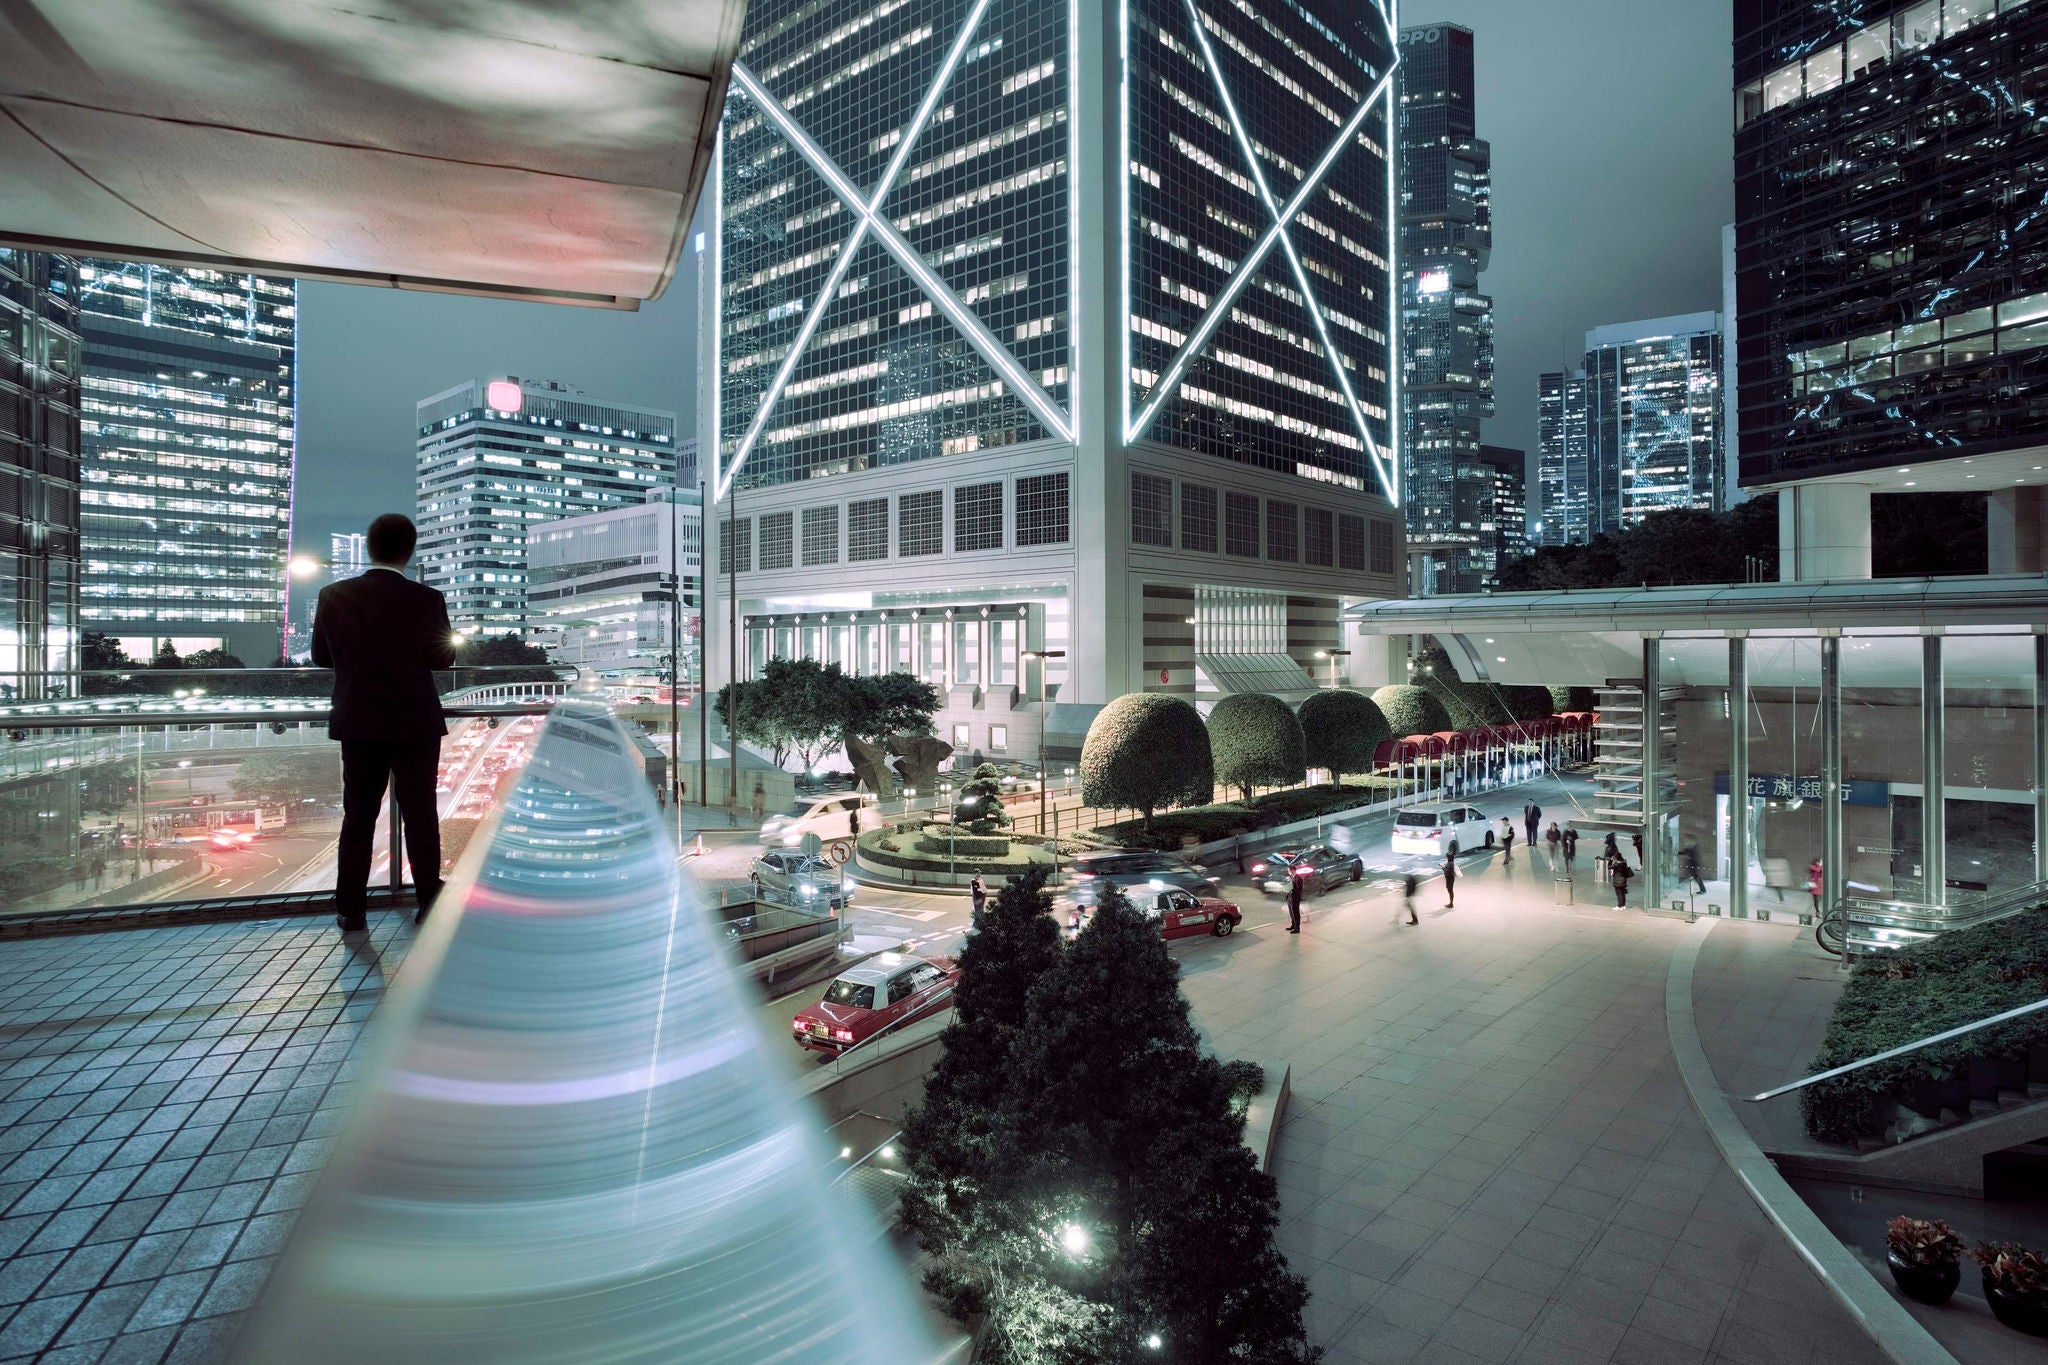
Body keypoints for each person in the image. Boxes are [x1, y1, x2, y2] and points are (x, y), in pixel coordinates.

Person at [313, 513, 456, 934]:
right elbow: (442, 659)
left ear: (370, 548)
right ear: (409, 551)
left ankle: (351, 910)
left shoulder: (332, 594)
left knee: (358, 815)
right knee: (420, 813)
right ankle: (429, 899)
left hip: (358, 720)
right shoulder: (427, 599)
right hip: (415, 721)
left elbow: (322, 656)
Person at [1286, 867, 1304, 933]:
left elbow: (1300, 889)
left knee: (1295, 912)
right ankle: (1293, 925)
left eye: (1289, 870)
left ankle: (1297, 928)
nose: (1288, 872)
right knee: (1291, 912)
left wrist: (1291, 889)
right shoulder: (1292, 877)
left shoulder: (1298, 878)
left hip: (1295, 897)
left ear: (1293, 870)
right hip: (1290, 897)